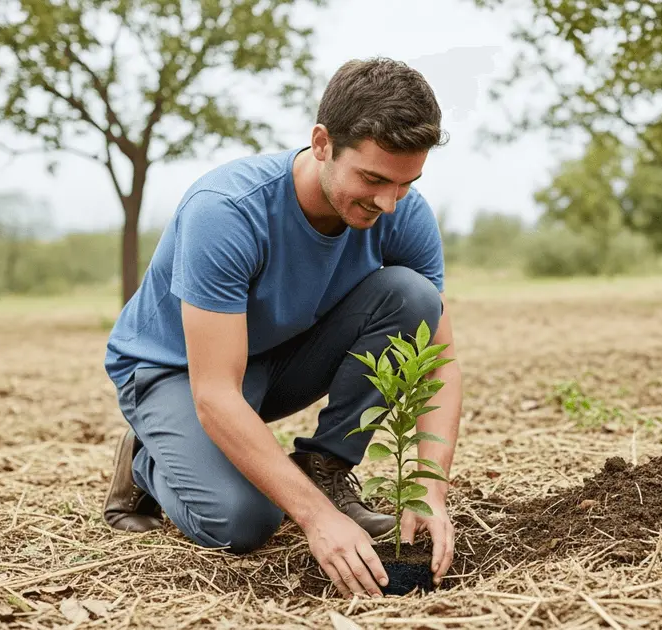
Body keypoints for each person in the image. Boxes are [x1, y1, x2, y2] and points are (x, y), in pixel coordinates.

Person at [99, 57, 462, 599]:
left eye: (406, 183)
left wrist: (430, 487)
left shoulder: (402, 213)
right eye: (373, 179)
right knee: (243, 521)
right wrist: (316, 521)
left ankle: (325, 468)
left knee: (413, 296)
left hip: (279, 357)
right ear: (321, 143)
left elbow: (438, 361)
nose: (389, 203)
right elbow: (216, 392)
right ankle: (149, 457)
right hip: (179, 372)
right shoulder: (226, 211)